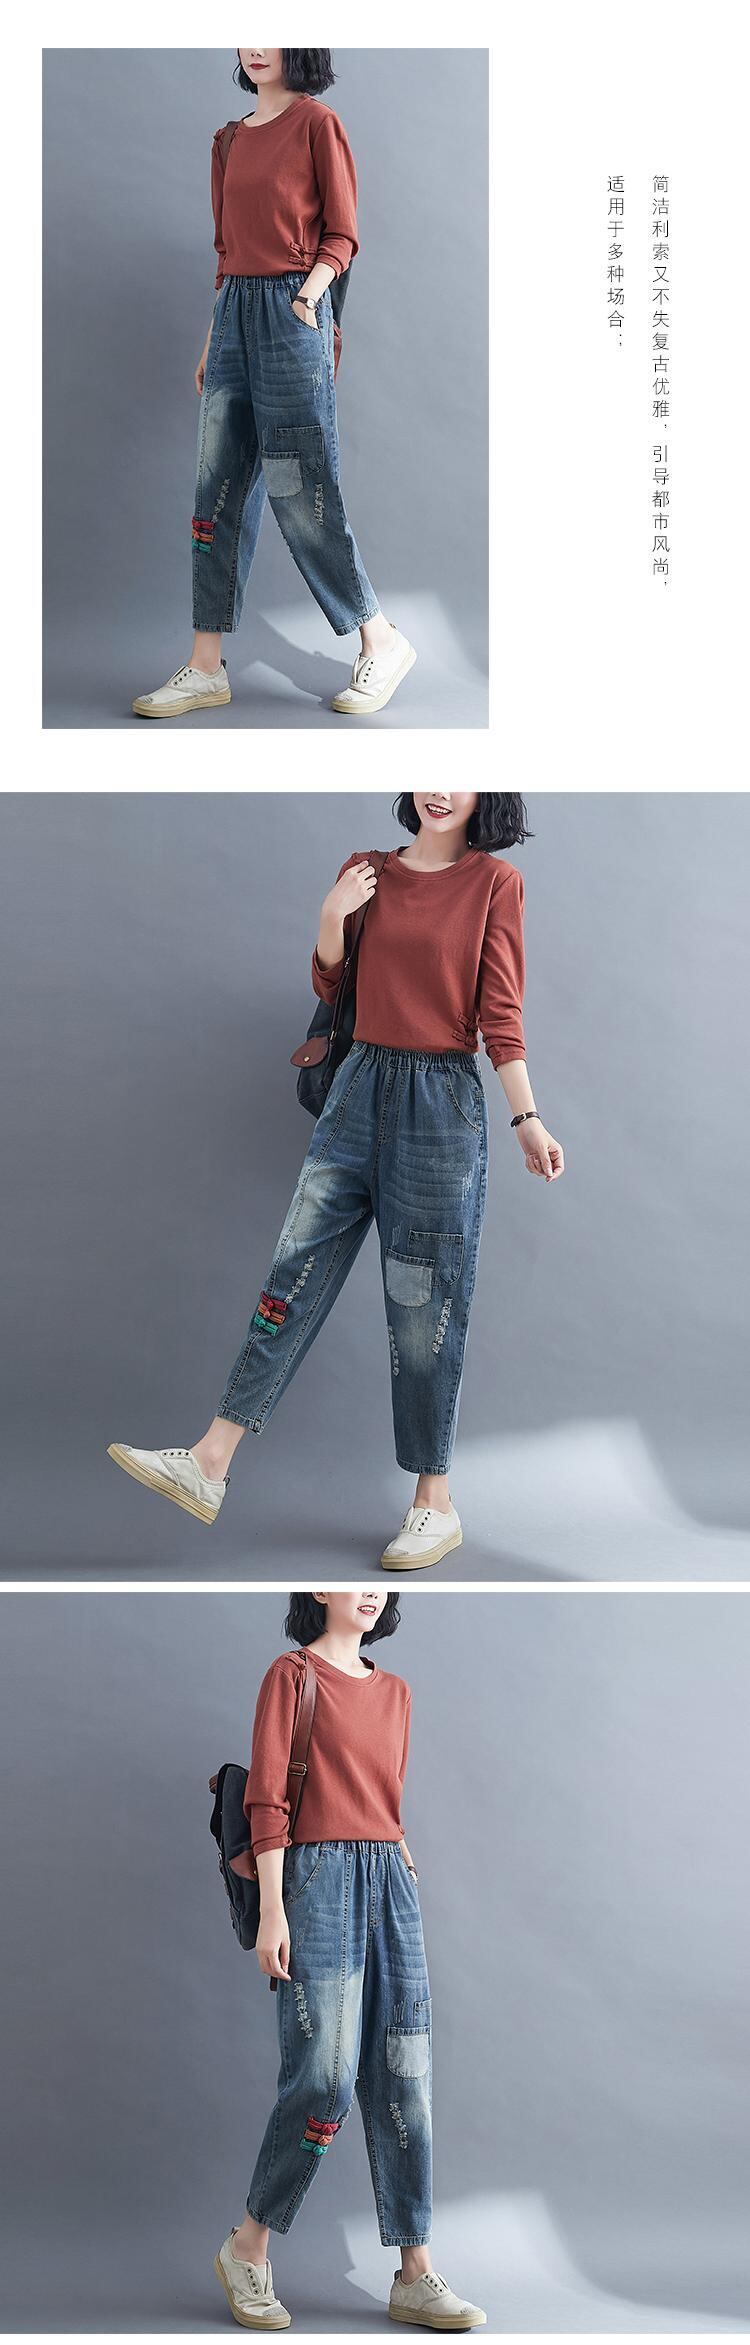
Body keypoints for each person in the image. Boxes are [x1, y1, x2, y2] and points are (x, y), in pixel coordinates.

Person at [108, 791, 565, 1570]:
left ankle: (433, 1502)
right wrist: (332, 913)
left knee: (424, 1305)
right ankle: (211, 1459)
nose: (439, 788)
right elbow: (332, 987)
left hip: (440, 1104)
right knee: (294, 1269)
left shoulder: (495, 884)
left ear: (487, 794)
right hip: (357, 1088)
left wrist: (527, 1118)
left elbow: (500, 1012)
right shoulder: (366, 870)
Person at [213, 1589, 486, 2332]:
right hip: (316, 1880)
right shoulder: (291, 1675)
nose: (370, 1590)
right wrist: (273, 1910)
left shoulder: (396, 1692)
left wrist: (399, 1853)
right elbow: (268, 1801)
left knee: (406, 2075)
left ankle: (415, 2271)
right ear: (316, 1589)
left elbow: (382, 1795)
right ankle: (247, 2246)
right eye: (350, 1580)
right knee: (325, 2077)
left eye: (379, 1585)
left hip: (389, 1879)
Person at [132, 49, 415, 722]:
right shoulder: (227, 141)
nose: (256, 44)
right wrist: (214, 336)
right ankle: (206, 667)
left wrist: (309, 299)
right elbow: (226, 252)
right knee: (216, 490)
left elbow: (342, 234)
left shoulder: (317, 124)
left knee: (299, 488)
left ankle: (380, 637)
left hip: (292, 313)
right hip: (233, 317)